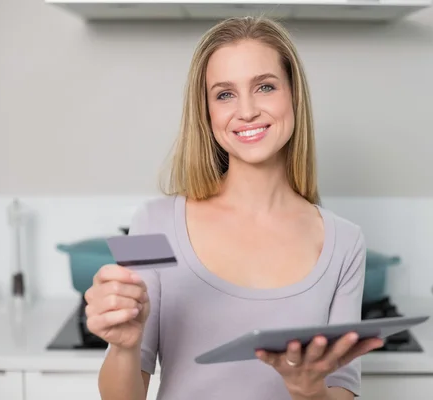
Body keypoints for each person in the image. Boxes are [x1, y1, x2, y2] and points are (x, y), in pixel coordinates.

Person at [84, 15, 383, 400]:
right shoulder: (149, 222)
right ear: (207, 113)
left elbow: (343, 390)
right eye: (224, 94)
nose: (246, 111)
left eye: (265, 87)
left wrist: (310, 392)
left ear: (293, 95)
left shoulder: (345, 241)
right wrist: (124, 346)